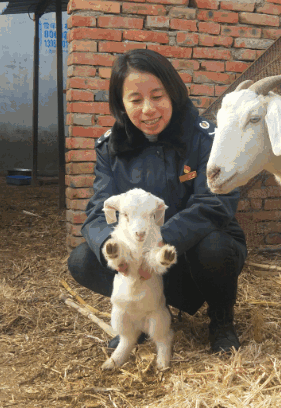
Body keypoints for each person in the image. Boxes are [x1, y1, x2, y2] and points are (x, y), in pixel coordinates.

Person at [67, 49, 247, 354]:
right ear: (121, 104)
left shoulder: (205, 139)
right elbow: (98, 213)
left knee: (215, 247)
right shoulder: (111, 148)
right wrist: (118, 254)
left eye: (157, 96)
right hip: (138, 259)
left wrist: (157, 244)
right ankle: (138, 320)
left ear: (174, 94)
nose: (148, 109)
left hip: (191, 255)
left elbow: (215, 204)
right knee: (83, 259)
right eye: (135, 100)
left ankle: (221, 320)